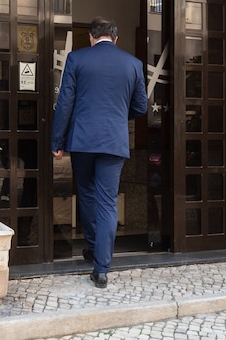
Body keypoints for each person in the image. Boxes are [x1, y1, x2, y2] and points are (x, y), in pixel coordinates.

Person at [51, 17, 147, 288]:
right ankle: (101, 268)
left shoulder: (77, 58)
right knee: (107, 201)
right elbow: (141, 107)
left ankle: (93, 247)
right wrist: (117, 116)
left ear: (91, 37)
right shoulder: (134, 64)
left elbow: (65, 102)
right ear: (116, 39)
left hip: (82, 140)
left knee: (87, 193)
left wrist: (57, 141)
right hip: (114, 141)